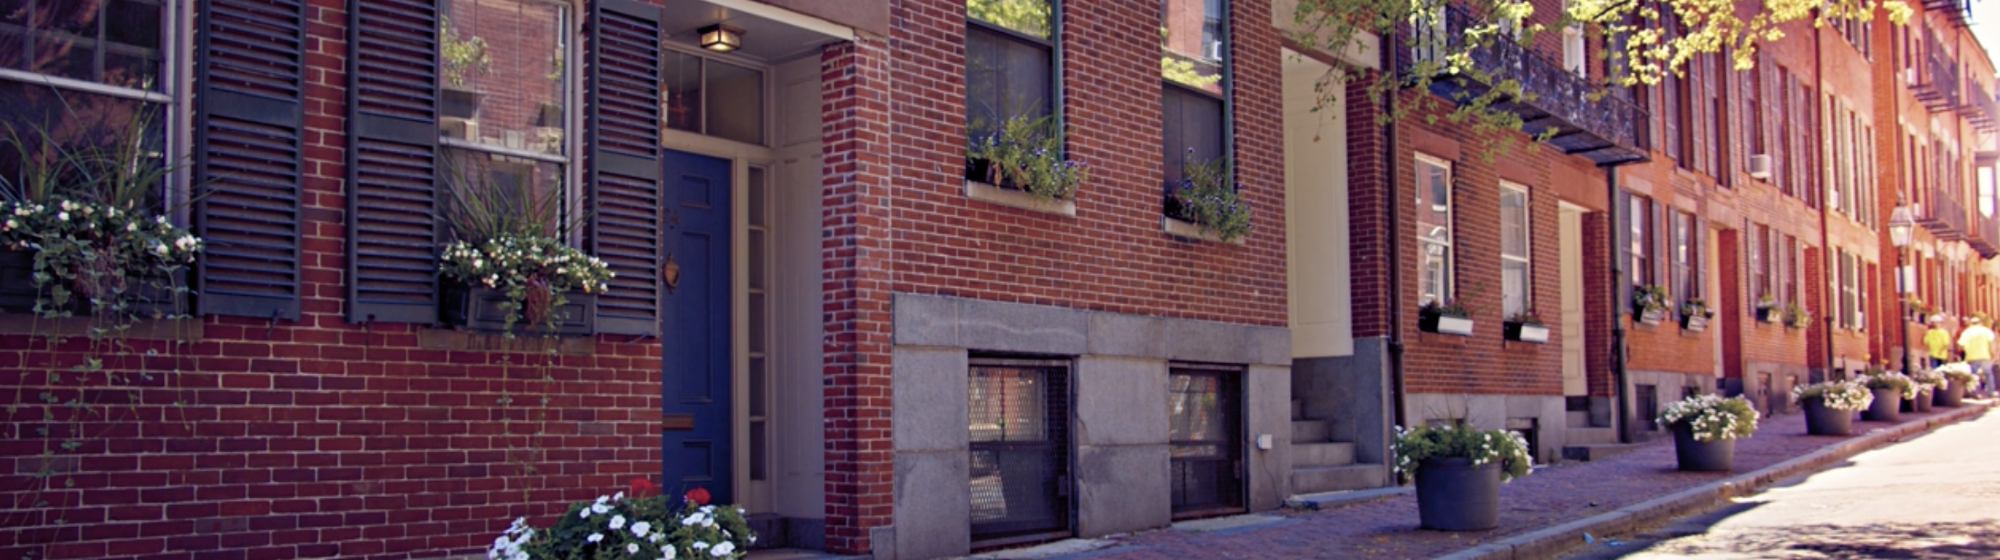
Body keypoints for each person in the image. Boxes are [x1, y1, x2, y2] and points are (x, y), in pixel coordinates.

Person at [1957, 317, 1996, 398]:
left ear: (1971, 323)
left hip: (1972, 356)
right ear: (1980, 322)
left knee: (1974, 376)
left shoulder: (1967, 332)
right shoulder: (1986, 331)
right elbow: (1991, 343)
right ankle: (1991, 392)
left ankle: (1974, 393)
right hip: (1985, 355)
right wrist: (1992, 353)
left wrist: (1966, 350)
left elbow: (1960, 345)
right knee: (1988, 374)